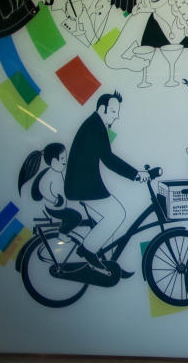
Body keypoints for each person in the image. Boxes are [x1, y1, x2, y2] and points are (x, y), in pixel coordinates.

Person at [64, 92, 150, 272]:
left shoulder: (95, 124)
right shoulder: (96, 126)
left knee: (108, 224)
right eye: (112, 111)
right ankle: (87, 251)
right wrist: (135, 174)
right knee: (116, 214)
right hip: (84, 186)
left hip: (86, 183)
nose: (116, 116)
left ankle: (110, 265)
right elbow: (108, 159)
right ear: (101, 109)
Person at [18, 143, 84, 240]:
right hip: (55, 209)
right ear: (54, 161)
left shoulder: (58, 173)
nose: (65, 161)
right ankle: (62, 234)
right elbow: (43, 189)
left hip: (60, 206)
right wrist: (55, 200)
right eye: (62, 159)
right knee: (76, 217)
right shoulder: (49, 175)